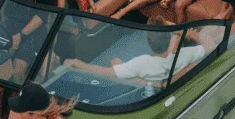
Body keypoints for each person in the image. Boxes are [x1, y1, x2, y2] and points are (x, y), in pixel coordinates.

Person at [64, 28, 208, 85]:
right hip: (159, 81)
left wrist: (77, 63)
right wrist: (193, 36)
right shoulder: (185, 56)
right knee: (116, 62)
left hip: (145, 87)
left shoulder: (142, 63)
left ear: (148, 42)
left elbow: (107, 73)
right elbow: (210, 46)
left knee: (114, 62)